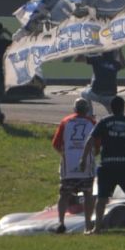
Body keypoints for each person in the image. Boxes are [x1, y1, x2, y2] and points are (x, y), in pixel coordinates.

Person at [84, 96, 125, 234]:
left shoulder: (104, 121)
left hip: (107, 165)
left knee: (102, 198)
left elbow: (90, 138)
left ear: (112, 107)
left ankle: (96, 229)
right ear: (123, 108)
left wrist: (83, 159)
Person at [52, 98, 97, 234]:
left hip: (68, 165)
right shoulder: (92, 123)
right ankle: (88, 224)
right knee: (88, 193)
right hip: (86, 166)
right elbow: (98, 145)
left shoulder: (66, 121)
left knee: (64, 193)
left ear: (74, 109)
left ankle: (61, 222)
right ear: (87, 110)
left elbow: (56, 144)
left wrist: (64, 155)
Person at [82, 50, 124, 115]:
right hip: (110, 96)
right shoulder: (115, 63)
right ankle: (116, 119)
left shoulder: (97, 59)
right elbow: (123, 65)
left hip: (96, 94)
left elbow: (79, 59)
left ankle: (89, 115)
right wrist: (120, 52)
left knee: (84, 93)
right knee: (114, 114)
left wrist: (83, 50)